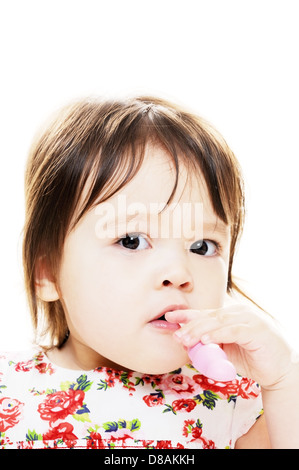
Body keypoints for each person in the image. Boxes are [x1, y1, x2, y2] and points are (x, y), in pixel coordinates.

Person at [0, 96, 298, 449]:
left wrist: (284, 383)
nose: (178, 273)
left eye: (203, 247)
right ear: (47, 273)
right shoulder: (9, 390)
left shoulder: (236, 404)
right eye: (131, 241)